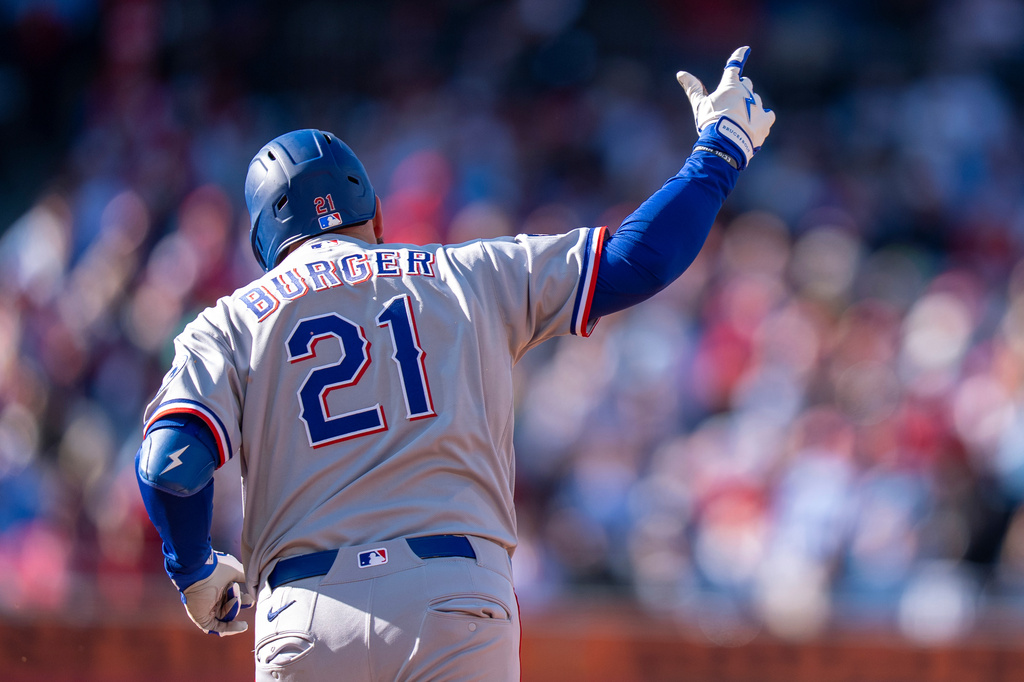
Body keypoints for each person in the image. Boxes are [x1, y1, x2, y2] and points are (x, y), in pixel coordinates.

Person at [135, 47, 775, 681]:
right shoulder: (467, 272)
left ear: (264, 243)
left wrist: (193, 569)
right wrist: (720, 150)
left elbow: (171, 466)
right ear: (374, 213)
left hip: (308, 611)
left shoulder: (229, 322)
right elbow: (638, 260)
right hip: (454, 597)